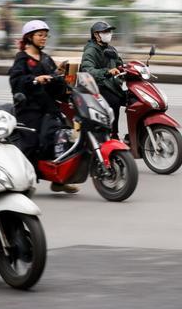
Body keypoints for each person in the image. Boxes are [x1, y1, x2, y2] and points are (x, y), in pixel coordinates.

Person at [7, 20, 74, 192]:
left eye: (45, 35)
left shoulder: (46, 59)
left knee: (62, 138)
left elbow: (55, 86)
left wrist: (61, 76)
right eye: (40, 35)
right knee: (33, 143)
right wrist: (36, 79)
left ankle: (59, 180)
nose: (44, 38)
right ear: (29, 37)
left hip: (48, 107)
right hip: (29, 108)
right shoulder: (22, 58)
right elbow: (16, 81)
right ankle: (23, 182)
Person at [80, 20, 126, 137]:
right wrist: (106, 72)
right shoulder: (91, 50)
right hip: (96, 87)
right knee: (114, 100)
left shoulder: (111, 48)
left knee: (133, 99)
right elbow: (87, 70)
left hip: (110, 85)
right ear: (96, 35)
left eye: (109, 31)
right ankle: (113, 134)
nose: (109, 34)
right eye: (105, 31)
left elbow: (119, 64)